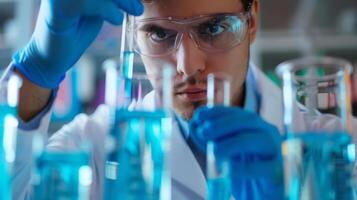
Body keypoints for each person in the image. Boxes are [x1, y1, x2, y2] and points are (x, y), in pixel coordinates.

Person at [6, 0, 356, 199]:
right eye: (159, 33)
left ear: (252, 21)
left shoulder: (338, 143)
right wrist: (35, 72)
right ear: (133, 34)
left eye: (214, 28)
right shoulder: (95, 147)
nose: (188, 66)